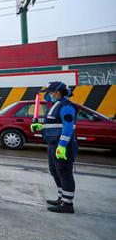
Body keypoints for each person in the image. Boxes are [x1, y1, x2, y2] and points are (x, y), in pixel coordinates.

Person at [30, 81, 78, 214]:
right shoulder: (56, 105)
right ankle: (62, 198)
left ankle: (67, 204)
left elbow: (68, 127)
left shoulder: (66, 106)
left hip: (62, 145)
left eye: (50, 93)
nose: (48, 95)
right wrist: (41, 126)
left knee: (64, 172)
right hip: (52, 143)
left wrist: (62, 145)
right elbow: (54, 124)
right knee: (55, 171)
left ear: (57, 92)